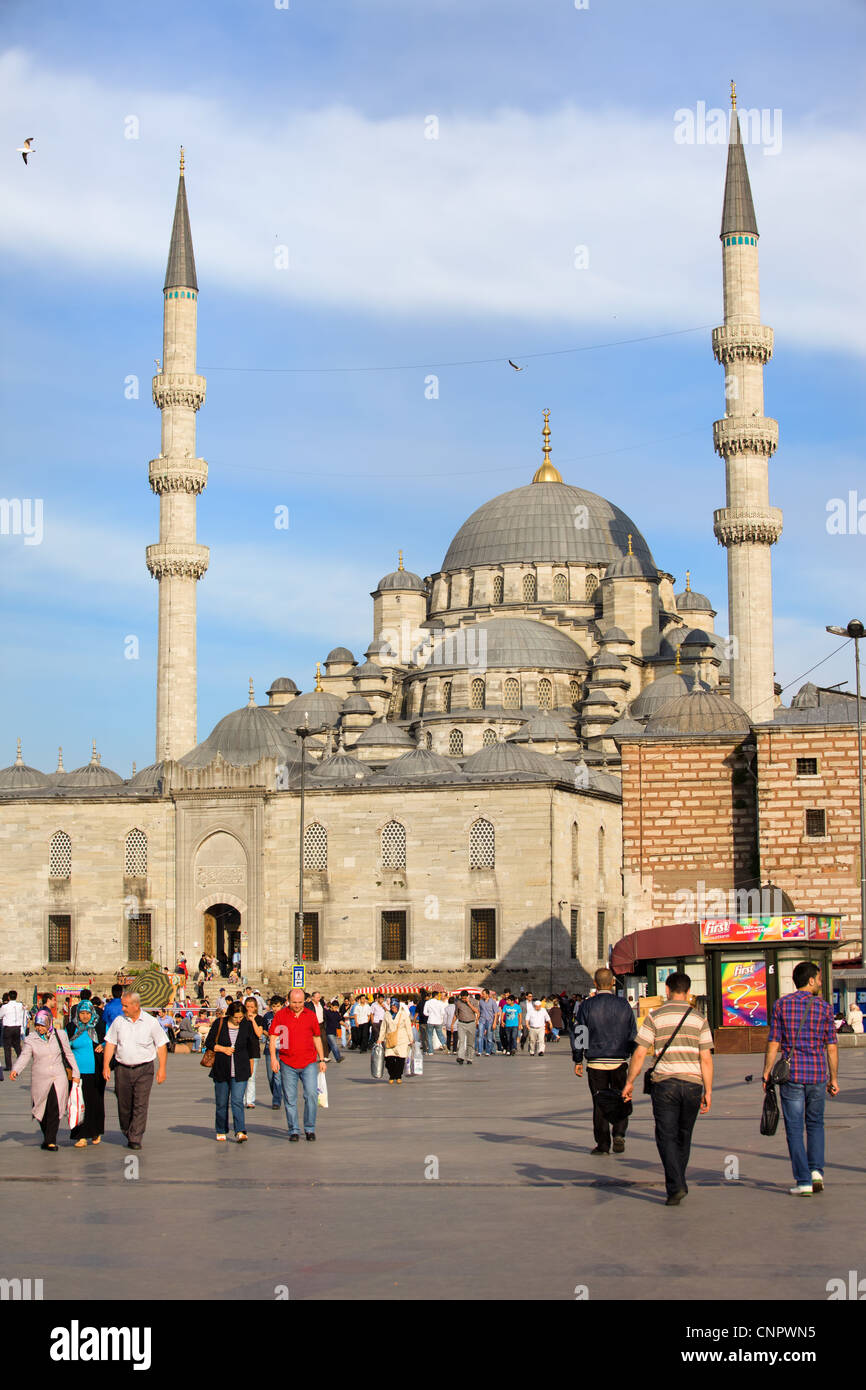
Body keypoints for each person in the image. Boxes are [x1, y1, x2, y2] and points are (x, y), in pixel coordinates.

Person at [622, 973, 713, 1206]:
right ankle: (678, 1180)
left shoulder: (655, 1016)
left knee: (666, 1135)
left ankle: (676, 1185)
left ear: (667, 989)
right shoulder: (699, 1018)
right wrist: (709, 1091)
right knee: (684, 1135)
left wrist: (630, 1081)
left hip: (665, 1084)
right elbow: (706, 1058)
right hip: (693, 1084)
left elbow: (640, 1052)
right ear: (688, 991)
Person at [763, 960, 838, 1196]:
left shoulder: (781, 1005)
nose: (820, 982)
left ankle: (803, 1181)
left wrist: (767, 1070)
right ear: (811, 980)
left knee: (794, 1128)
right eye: (818, 978)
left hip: (791, 1074)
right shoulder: (825, 1008)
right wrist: (833, 1078)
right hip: (817, 1074)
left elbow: (774, 1040)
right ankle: (816, 1171)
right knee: (815, 1124)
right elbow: (832, 1047)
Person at [572, 968, 637, 1155]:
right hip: (619, 1060)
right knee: (621, 1098)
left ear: (595, 983)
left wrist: (578, 1059)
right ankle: (619, 1133)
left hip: (595, 1062)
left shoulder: (587, 1005)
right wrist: (631, 1056)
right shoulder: (623, 1005)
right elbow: (632, 1033)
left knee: (599, 1102)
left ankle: (602, 1144)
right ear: (612, 983)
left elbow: (580, 1032)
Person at [102, 991, 168, 1150]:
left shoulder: (151, 1022)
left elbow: (161, 1045)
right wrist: (105, 1066)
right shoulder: (119, 1022)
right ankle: (127, 1130)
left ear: (136, 1005)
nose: (123, 1009)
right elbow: (110, 1043)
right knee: (124, 1104)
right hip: (122, 1068)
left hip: (144, 1069)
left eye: (125, 1005)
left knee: (140, 1104)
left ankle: (135, 1137)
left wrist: (162, 1069)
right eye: (122, 1005)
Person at [11, 1009, 79, 1150]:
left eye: (42, 1025)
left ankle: (51, 1140)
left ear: (49, 1023)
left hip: (58, 1078)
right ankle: (47, 1137)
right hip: (40, 1079)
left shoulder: (60, 1035)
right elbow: (24, 1056)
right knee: (41, 1109)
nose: (39, 1028)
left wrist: (76, 1073)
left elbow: (69, 1054)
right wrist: (16, 1070)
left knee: (54, 1108)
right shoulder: (31, 1039)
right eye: (37, 1025)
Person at [268, 988, 327, 1141]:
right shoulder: (281, 1015)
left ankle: (309, 1128)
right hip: (287, 1062)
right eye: (294, 1002)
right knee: (290, 1098)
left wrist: (322, 1059)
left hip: (308, 1062)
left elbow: (316, 1038)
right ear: (288, 1001)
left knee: (312, 1095)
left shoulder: (310, 1015)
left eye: (300, 1002)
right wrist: (274, 1058)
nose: (297, 1005)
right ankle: (293, 1129)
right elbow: (273, 1037)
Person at [204, 1001, 256, 1142]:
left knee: (237, 1101)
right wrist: (222, 1048)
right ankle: (221, 1129)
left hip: (241, 1069)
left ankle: (240, 1130)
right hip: (222, 1068)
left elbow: (252, 1047)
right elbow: (209, 1042)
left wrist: (251, 1066)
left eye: (240, 1017)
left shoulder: (246, 1024)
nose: (238, 1020)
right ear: (230, 1015)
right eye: (236, 1018)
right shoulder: (219, 1023)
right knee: (221, 1102)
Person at [66, 999, 106, 1146]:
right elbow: (65, 1046)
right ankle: (81, 1136)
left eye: (87, 1013)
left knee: (94, 1102)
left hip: (95, 1072)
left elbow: (110, 1040)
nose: (84, 1016)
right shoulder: (71, 1027)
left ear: (92, 1013)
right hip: (77, 1073)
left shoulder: (99, 1026)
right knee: (78, 1103)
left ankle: (95, 1132)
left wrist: (102, 1045)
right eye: (82, 1013)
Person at [377, 999, 414, 1082]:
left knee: (400, 1059)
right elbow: (383, 1027)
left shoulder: (403, 1014)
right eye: (392, 1008)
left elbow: (408, 1027)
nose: (394, 1009)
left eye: (395, 1008)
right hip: (390, 1039)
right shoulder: (387, 1014)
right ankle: (392, 1074)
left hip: (402, 1039)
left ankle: (398, 1076)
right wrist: (380, 1039)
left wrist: (411, 1039)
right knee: (388, 1058)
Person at [243, 995, 264, 1108]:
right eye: (247, 1007)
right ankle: (240, 1099)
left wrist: (252, 1020)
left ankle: (250, 1100)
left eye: (251, 1007)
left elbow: (259, 1034)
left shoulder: (259, 1019)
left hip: (253, 1050)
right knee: (241, 1076)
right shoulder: (241, 1018)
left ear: (255, 1008)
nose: (249, 1009)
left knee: (251, 1077)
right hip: (242, 1050)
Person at [263, 996, 284, 1107]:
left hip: (282, 1048)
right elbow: (263, 1029)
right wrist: (271, 1036)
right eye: (274, 1006)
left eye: (278, 1006)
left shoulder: (286, 1016)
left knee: (278, 1075)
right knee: (270, 1076)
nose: (276, 1009)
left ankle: (276, 1100)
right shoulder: (267, 1016)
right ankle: (277, 1094)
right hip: (269, 1048)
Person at [0, 989, 26, 1071]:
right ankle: (22, 1063)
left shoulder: (5, 1006)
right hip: (17, 1027)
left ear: (8, 997)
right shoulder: (19, 1005)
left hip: (8, 1028)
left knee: (7, 1048)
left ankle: (9, 1066)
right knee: (17, 1046)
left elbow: (0, 1015)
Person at [453, 991, 479, 1065]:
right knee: (461, 1041)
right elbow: (456, 1013)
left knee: (470, 1042)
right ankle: (461, 1057)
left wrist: (468, 1003)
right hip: (461, 1023)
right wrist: (452, 1023)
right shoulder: (458, 1002)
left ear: (468, 996)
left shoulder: (474, 1001)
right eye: (462, 998)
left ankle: (469, 1058)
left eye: (465, 998)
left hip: (471, 1023)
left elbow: (477, 1011)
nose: (463, 999)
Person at [476, 989, 497, 1056]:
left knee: (489, 1037)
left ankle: (488, 1051)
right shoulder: (481, 1002)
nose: (482, 995)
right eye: (482, 994)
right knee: (480, 1036)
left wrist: (494, 1023)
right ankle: (480, 1051)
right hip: (482, 1020)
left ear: (487, 994)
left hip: (490, 1021)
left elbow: (496, 1013)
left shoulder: (492, 1002)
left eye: (484, 994)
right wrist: (477, 1020)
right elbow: (479, 1011)